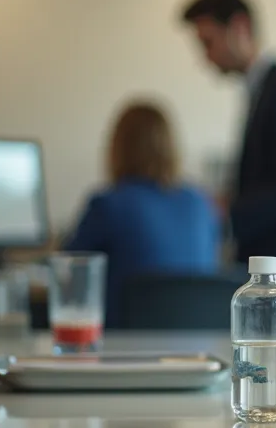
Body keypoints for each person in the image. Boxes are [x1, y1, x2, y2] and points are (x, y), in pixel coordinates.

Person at [180, 0, 276, 326]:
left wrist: (226, 213)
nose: (206, 58)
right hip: (273, 271)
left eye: (208, 42)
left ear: (240, 27)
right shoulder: (265, 92)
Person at [63, 101, 222, 328]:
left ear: (118, 147)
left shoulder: (108, 205)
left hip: (126, 351)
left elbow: (67, 272)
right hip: (197, 352)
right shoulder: (201, 203)